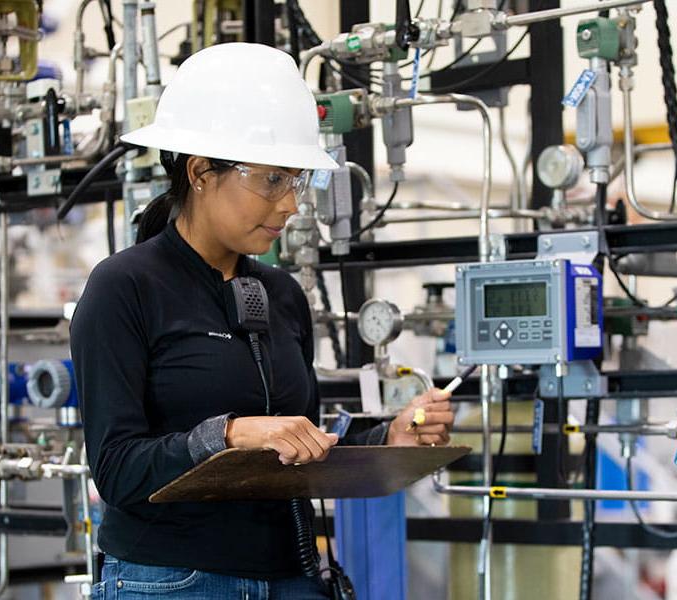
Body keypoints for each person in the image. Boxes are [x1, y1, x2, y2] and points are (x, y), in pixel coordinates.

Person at [70, 42, 454, 600]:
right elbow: (118, 469)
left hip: (289, 576)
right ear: (201, 172)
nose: (290, 204)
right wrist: (226, 434)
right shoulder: (124, 288)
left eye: (295, 181)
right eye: (272, 180)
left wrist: (389, 436)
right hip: (174, 582)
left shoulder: (280, 294)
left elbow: (304, 446)